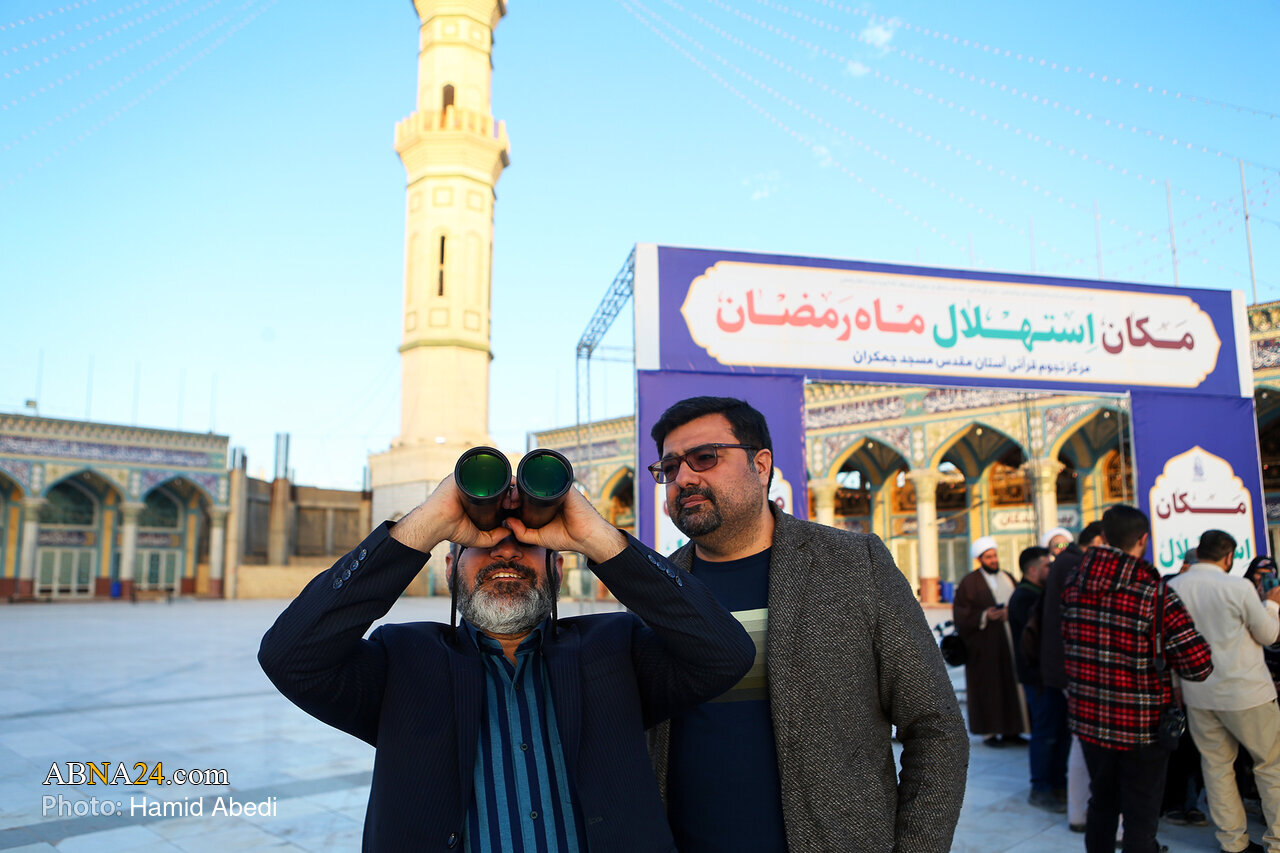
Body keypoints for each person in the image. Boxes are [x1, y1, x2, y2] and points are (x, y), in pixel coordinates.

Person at [258, 470, 755, 852]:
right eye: (483, 544)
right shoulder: (401, 662)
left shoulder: (615, 650)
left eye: (528, 544)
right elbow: (290, 656)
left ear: (557, 567)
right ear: (450, 567)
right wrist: (424, 525)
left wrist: (598, 538)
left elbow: (725, 652)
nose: (506, 553)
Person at [644, 396, 968, 853]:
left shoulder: (853, 565)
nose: (684, 478)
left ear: (760, 466)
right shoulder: (658, 587)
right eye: (670, 467)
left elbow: (936, 727)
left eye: (704, 457)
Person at [1063, 504, 1213, 853]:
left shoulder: (1074, 584)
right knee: (1140, 817)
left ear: (1104, 537)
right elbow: (1199, 665)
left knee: (1101, 803)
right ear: (1143, 539)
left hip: (1090, 720)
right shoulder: (1154, 594)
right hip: (1143, 727)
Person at [1168, 530, 1280, 853]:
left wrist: (1176, 686)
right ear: (1229, 557)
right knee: (1270, 766)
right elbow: (1269, 635)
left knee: (1217, 768)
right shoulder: (1237, 587)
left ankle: (1233, 844)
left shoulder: (1173, 588)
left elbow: (1170, 642)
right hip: (1247, 693)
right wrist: (1272, 605)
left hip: (1199, 693)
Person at [1040, 519, 1105, 831]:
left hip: (1067, 664)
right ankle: (1081, 810)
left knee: (1079, 739)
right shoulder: (1073, 564)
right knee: (1084, 740)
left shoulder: (1067, 562)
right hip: (1073, 665)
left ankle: (1079, 813)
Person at [1009, 545, 1069, 812]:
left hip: (1048, 676)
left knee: (1059, 732)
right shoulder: (1024, 597)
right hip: (1037, 678)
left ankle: (1058, 784)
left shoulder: (1038, 594)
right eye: (1047, 565)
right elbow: (1034, 641)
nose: (1051, 569)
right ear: (1032, 570)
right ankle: (1041, 788)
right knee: (1045, 733)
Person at [954, 535, 1029, 747]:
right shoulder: (970, 582)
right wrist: (985, 615)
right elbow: (961, 614)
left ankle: (1013, 730)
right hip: (985, 647)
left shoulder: (1008, 577)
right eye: (989, 557)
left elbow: (1020, 602)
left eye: (995, 556)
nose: (994, 560)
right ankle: (990, 733)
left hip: (1010, 643)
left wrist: (1009, 612)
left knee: (1012, 686)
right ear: (980, 559)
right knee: (990, 688)